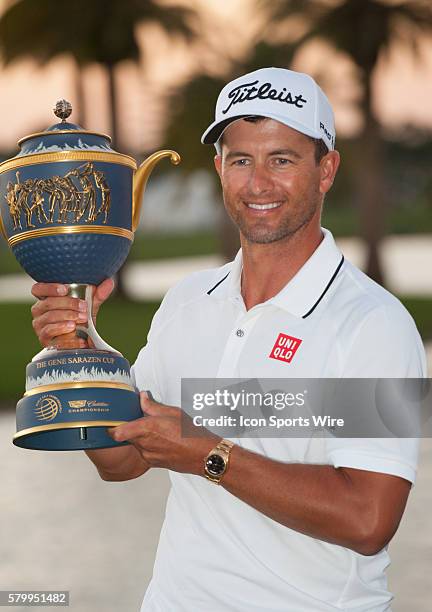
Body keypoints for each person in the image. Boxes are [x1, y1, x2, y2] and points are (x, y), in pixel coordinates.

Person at [31, 67, 426, 612]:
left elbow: (368, 521)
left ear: (326, 168)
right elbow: (122, 462)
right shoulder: (187, 301)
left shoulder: (377, 324)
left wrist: (207, 454)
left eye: (282, 160)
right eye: (241, 159)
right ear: (219, 167)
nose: (258, 183)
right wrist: (82, 356)